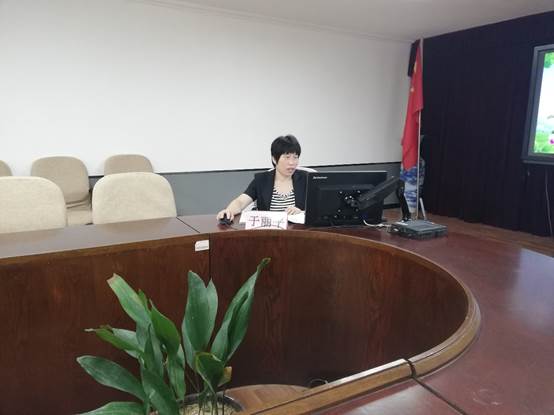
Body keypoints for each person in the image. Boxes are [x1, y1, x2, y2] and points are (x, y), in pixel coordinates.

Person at [216, 135, 307, 221]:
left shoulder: (306, 179)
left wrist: (302, 213)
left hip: (298, 230)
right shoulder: (261, 180)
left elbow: (315, 210)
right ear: (274, 159)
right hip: (268, 230)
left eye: (295, 157)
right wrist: (229, 211)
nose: (292, 162)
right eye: (287, 157)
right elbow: (240, 202)